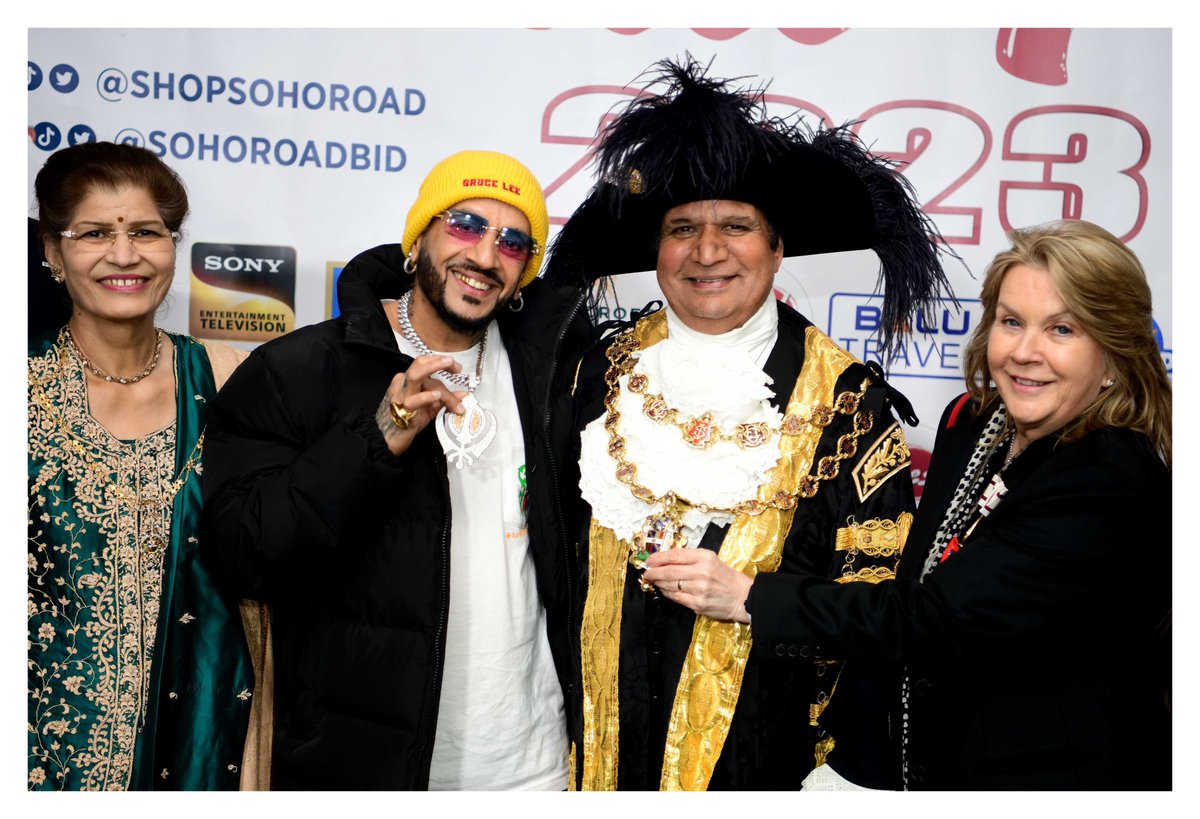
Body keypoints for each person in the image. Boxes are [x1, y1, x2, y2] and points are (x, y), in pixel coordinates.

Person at [542, 57, 954, 790]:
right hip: (592, 754)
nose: (707, 252)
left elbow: (880, 607)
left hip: (766, 765)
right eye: (682, 228)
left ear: (777, 248)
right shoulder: (591, 376)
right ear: (656, 249)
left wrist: (752, 599)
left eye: (736, 226)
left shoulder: (849, 407)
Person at [652, 219, 1172, 790]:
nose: (1025, 352)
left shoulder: (1110, 478)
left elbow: (932, 620)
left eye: (1063, 330)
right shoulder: (973, 423)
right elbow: (914, 586)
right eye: (1011, 322)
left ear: (1115, 352)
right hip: (926, 766)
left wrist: (749, 597)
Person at [201, 150, 592, 790]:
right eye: (465, 225)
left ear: (524, 275)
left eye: (514, 243)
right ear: (418, 241)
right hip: (367, 765)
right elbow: (246, 553)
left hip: (531, 764)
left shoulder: (551, 380)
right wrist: (377, 438)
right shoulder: (298, 371)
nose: (487, 257)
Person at [27, 142, 253, 791]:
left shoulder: (226, 377)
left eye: (146, 232)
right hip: (45, 763)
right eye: (95, 232)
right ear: (52, 251)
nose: (124, 255)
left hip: (203, 753)